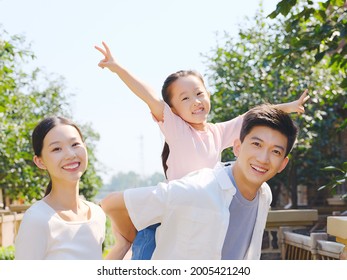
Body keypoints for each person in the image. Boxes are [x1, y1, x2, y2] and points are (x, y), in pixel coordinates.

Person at [95, 41, 309, 259]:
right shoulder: (177, 129)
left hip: (201, 218)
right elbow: (148, 95)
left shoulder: (218, 132)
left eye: (199, 93)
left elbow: (252, 117)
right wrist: (117, 67)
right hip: (167, 213)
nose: (195, 101)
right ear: (173, 110)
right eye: (185, 98)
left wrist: (288, 107)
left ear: (208, 94)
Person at [101, 104, 298, 259]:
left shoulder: (264, 195)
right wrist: (126, 241)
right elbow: (112, 203)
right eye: (256, 144)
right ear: (237, 147)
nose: (263, 158)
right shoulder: (197, 189)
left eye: (275, 151)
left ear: (282, 164)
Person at [14, 116, 106, 260]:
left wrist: (122, 245)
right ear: (40, 161)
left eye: (75, 144)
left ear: (85, 147)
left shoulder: (97, 214)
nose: (70, 154)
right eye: (57, 149)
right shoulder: (37, 219)